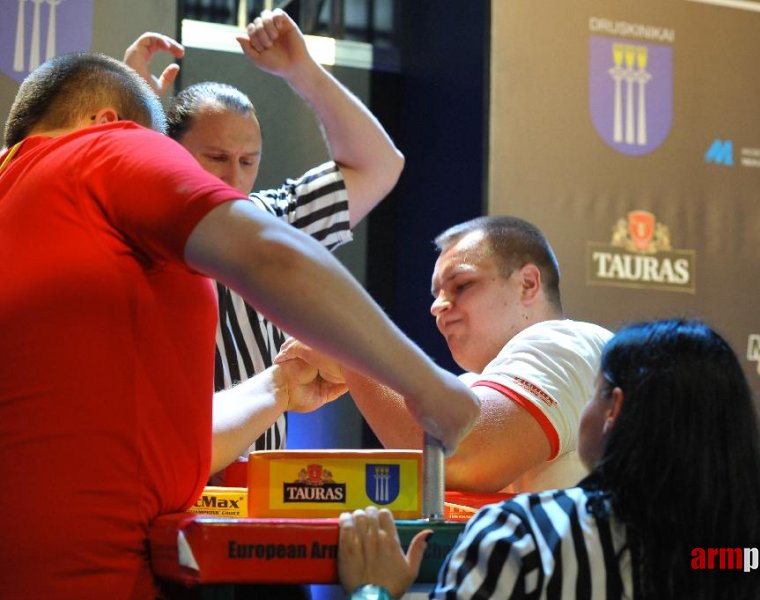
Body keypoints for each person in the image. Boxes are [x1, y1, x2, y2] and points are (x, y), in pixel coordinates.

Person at [0, 52, 478, 598]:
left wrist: (276, 388)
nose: (233, 177)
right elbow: (274, 256)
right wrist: (425, 384)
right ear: (109, 126)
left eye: (248, 160)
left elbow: (165, 442)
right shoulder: (106, 146)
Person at [338, 319, 760, 599]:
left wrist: (373, 590)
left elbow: (465, 452)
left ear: (613, 408)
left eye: (594, 391)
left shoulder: (521, 537)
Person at [124, 7, 404, 453]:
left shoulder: (274, 219)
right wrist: (134, 123)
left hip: (262, 486)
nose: (233, 178)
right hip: (165, 476)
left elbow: (381, 165)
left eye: (248, 161)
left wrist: (303, 71)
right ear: (170, 150)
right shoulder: (134, 228)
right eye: (215, 158)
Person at [279, 215, 613, 493]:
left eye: (462, 285)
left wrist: (350, 354)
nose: (438, 306)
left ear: (528, 283)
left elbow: (463, 459)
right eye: (437, 293)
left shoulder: (566, 343)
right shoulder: (471, 387)